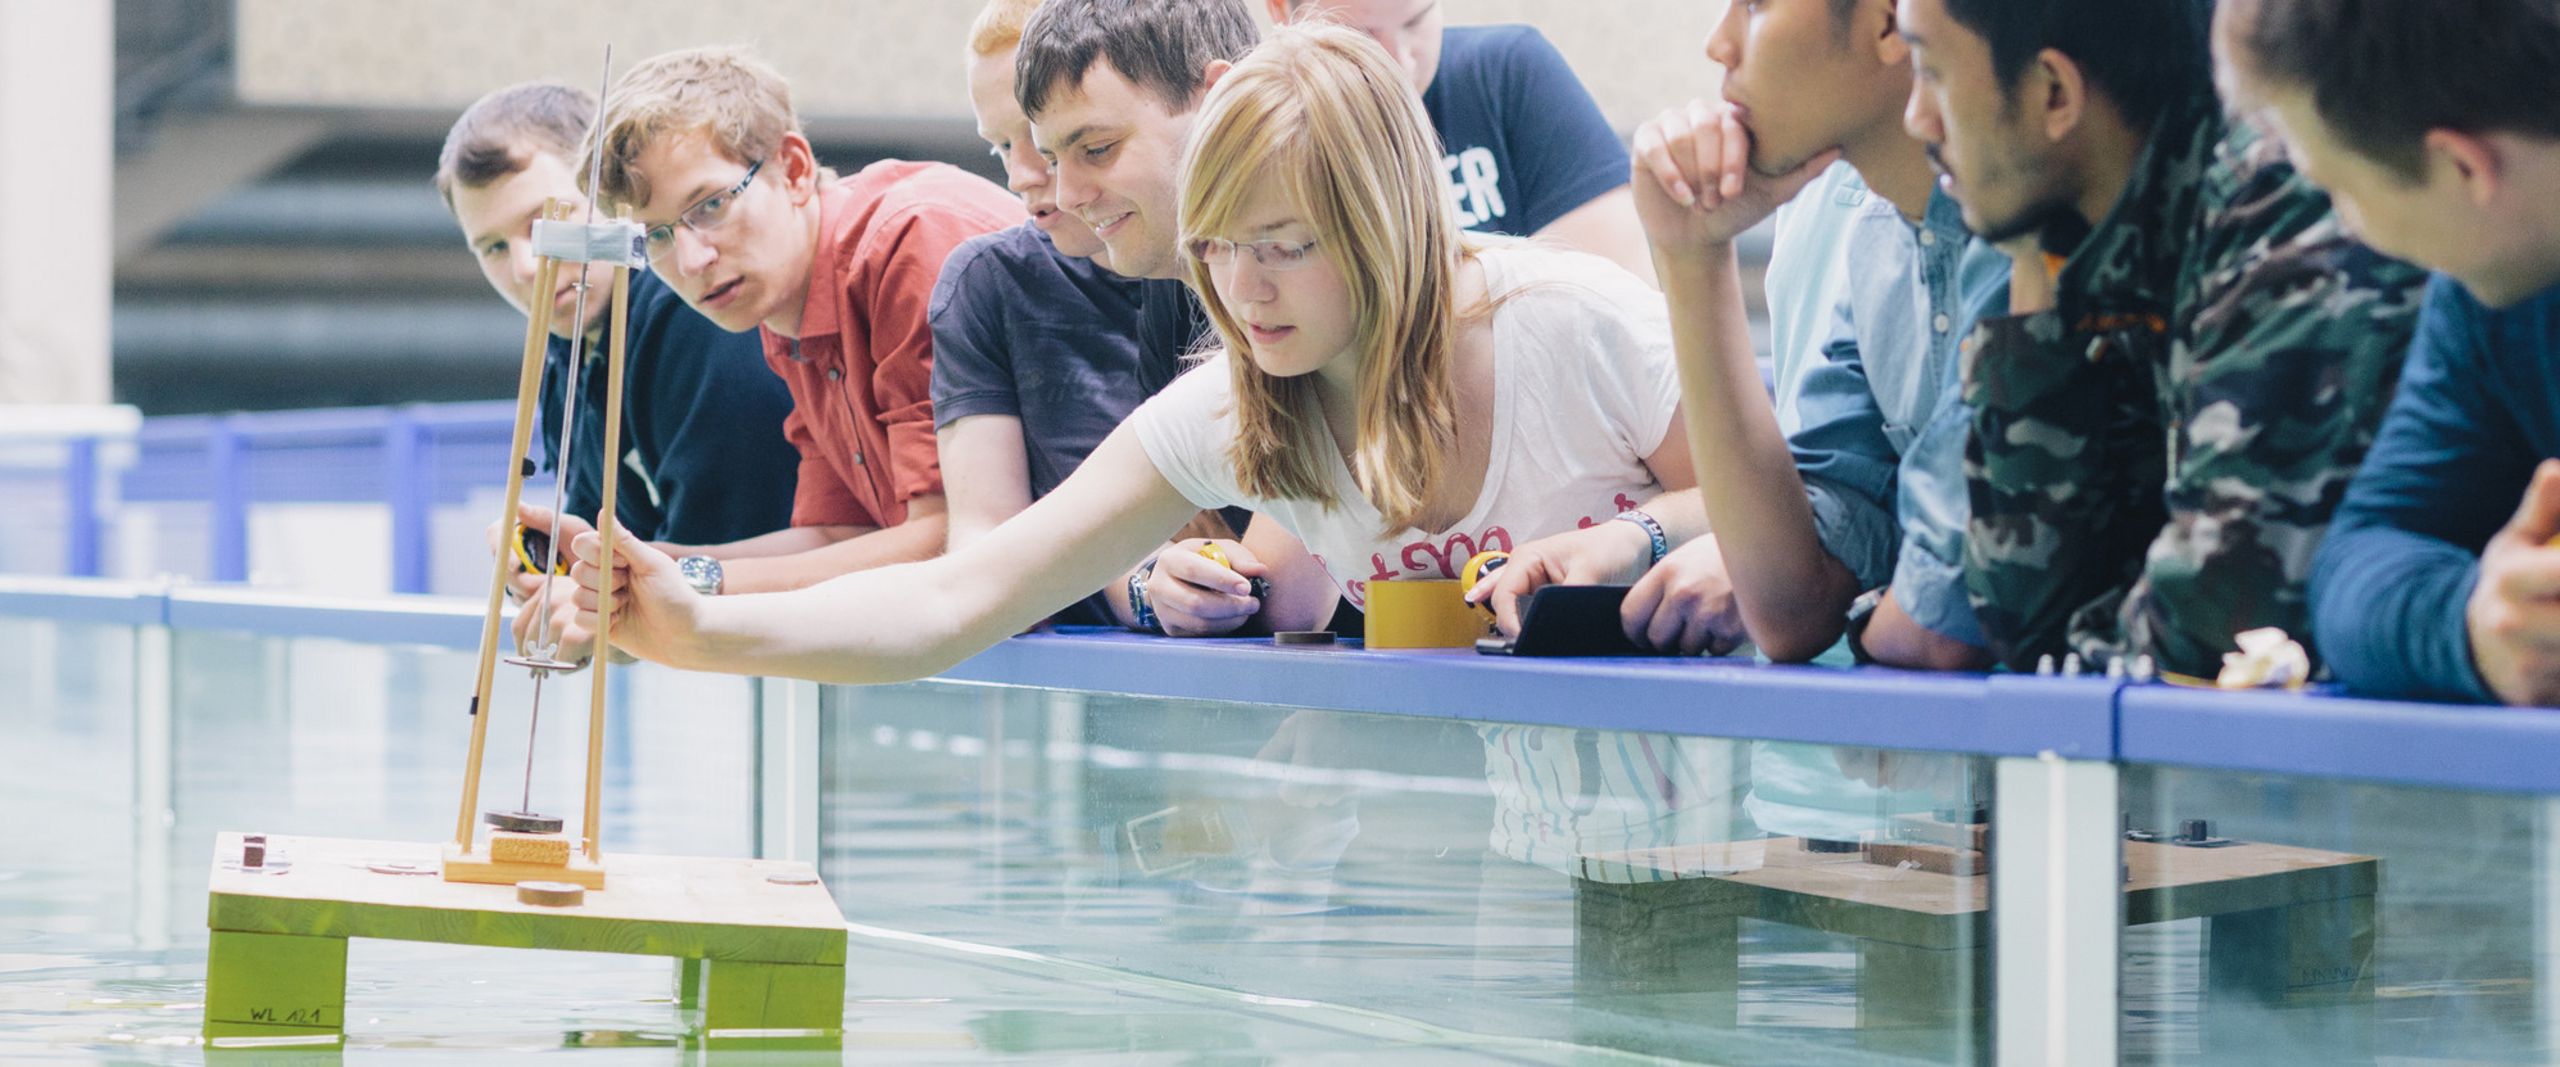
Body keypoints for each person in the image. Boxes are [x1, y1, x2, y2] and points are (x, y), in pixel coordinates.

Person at [565, 24, 1695, 686]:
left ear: (1386, 220)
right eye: (1216, 251)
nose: (1244, 294)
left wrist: (1631, 534)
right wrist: (695, 622)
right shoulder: (1240, 402)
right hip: (1512, 832)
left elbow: (1806, 516)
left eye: (1288, 247)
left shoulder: (1577, 320)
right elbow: (964, 592)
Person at [1899, 0, 2429, 677]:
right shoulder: (2117, 232)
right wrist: (2036, 273)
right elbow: (2028, 621)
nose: (1917, 116)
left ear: (2055, 93)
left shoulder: (2279, 212)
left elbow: (2210, 635)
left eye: (1931, 72)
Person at [1477, 0, 2009, 669]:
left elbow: (1941, 632)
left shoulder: (2029, 236)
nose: (1718, 44)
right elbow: (1790, 606)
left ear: (1885, 22)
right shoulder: (1875, 236)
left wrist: (1867, 609)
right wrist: (1693, 253)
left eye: (1756, 7)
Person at [529, 47, 1023, 608]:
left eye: (710, 205)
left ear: (792, 169)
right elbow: (842, 536)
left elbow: (953, 542)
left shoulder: (906, 241)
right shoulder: (782, 304)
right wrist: (643, 562)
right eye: (657, 236)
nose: (690, 261)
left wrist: (686, 584)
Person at [2217, 0, 2560, 704]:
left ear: (2464, 167)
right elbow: (2359, 556)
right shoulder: (2492, 295)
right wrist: (2470, 623)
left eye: (2340, 188)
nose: (2349, 228)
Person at [936, 0, 1275, 631]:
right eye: (1009, 147)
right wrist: (1156, 580)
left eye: (1093, 147)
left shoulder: (1185, 268)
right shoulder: (1175, 286)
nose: (1041, 183)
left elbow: (1302, 582)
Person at [437, 82, 798, 654]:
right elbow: (601, 552)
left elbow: (722, 570)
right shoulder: (570, 347)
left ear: (612, 195)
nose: (529, 266)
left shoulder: (699, 314)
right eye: (494, 248)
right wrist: (554, 575)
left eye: (545, 222)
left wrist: (605, 613)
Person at [1268, 0, 1652, 283]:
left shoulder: (1508, 73)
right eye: (1361, 37)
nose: (1400, 62)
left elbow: (1615, 291)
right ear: (1282, 12)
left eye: (1416, 21)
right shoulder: (1264, 137)